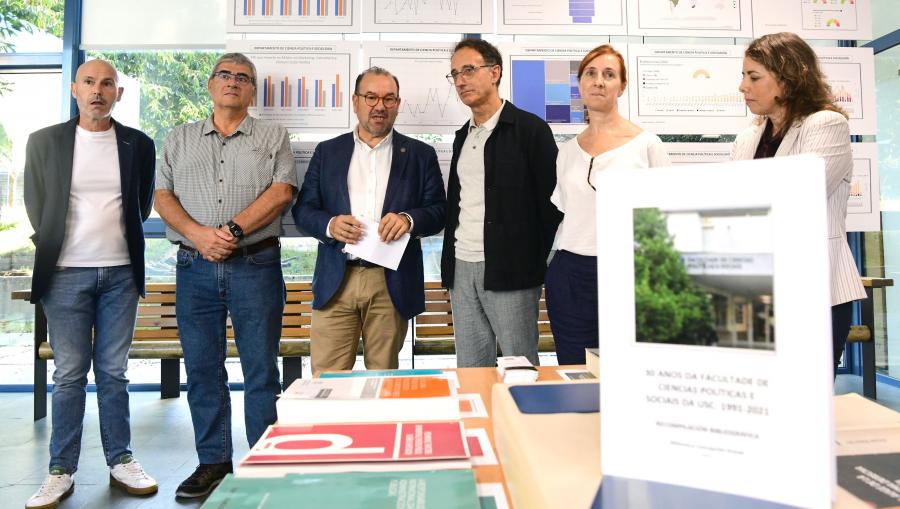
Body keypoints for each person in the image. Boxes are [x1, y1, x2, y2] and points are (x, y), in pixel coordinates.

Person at [154, 52, 296, 498]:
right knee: (202, 370)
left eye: (243, 77)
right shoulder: (179, 138)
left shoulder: (273, 136)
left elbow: (282, 191)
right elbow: (162, 196)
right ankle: (213, 463)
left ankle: (264, 462)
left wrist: (231, 231)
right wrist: (199, 236)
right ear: (211, 84)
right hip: (194, 267)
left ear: (252, 90)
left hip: (255, 264)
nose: (233, 81)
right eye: (225, 74)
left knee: (261, 371)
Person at [23, 59, 158, 509]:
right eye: (89, 82)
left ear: (118, 93)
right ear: (74, 90)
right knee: (69, 375)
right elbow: (36, 203)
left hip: (120, 274)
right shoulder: (44, 142)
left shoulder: (138, 144)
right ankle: (60, 471)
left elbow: (140, 205)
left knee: (114, 373)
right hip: (64, 274)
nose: (97, 91)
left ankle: (122, 461)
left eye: (107, 84)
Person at [293, 67, 446, 374]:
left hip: (390, 282)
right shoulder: (328, 152)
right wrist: (330, 225)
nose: (380, 106)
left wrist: (409, 219)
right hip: (337, 279)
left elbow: (439, 211)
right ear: (355, 101)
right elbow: (303, 210)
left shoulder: (420, 154)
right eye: (371, 97)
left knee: (384, 378)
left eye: (389, 99)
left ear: (397, 104)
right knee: (327, 380)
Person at [732, 32, 866, 375]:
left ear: (789, 78)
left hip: (814, 288)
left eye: (754, 77)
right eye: (744, 76)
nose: (743, 86)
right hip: (757, 290)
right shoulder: (747, 138)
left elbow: (796, 200)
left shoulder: (826, 123)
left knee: (808, 392)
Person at [441, 39, 562, 368]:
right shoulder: (463, 136)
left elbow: (552, 206)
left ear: (494, 73)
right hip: (462, 268)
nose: (461, 80)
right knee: (471, 368)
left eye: (469, 70)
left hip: (512, 271)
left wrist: (529, 259)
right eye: (455, 74)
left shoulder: (530, 130)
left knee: (519, 366)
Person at [547, 44, 670, 365]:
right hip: (570, 275)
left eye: (609, 74)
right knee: (574, 371)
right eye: (590, 73)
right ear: (580, 83)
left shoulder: (647, 145)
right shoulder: (567, 151)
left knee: (629, 370)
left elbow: (666, 219)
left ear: (622, 86)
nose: (598, 81)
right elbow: (567, 213)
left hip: (629, 271)